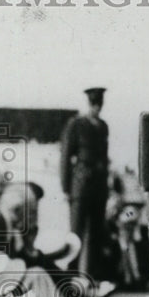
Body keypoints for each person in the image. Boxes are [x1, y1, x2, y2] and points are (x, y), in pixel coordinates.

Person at [60, 87, 110, 283]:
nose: (97, 108)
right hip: (80, 187)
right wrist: (66, 188)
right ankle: (70, 276)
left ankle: (92, 277)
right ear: (89, 104)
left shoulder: (103, 126)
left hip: (99, 188)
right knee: (76, 233)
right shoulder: (76, 124)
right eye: (94, 104)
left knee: (96, 234)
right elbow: (65, 157)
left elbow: (104, 158)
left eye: (99, 105)